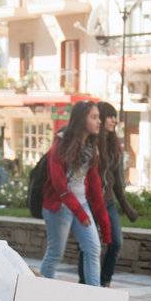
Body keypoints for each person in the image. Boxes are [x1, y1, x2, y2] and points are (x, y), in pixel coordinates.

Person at [39, 100, 112, 287]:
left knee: (93, 249)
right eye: (94, 117)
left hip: (81, 204)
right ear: (82, 120)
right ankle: (41, 291)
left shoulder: (91, 147)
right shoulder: (61, 143)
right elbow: (59, 183)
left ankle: (94, 295)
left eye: (99, 117)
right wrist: (79, 213)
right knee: (56, 253)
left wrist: (104, 222)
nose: (99, 121)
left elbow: (94, 186)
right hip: (59, 206)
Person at [96, 102, 139, 288]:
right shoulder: (91, 143)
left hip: (108, 203)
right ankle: (89, 282)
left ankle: (104, 281)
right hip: (90, 203)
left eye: (115, 116)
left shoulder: (115, 146)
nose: (114, 120)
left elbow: (118, 182)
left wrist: (126, 207)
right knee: (91, 247)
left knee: (116, 242)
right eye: (110, 116)